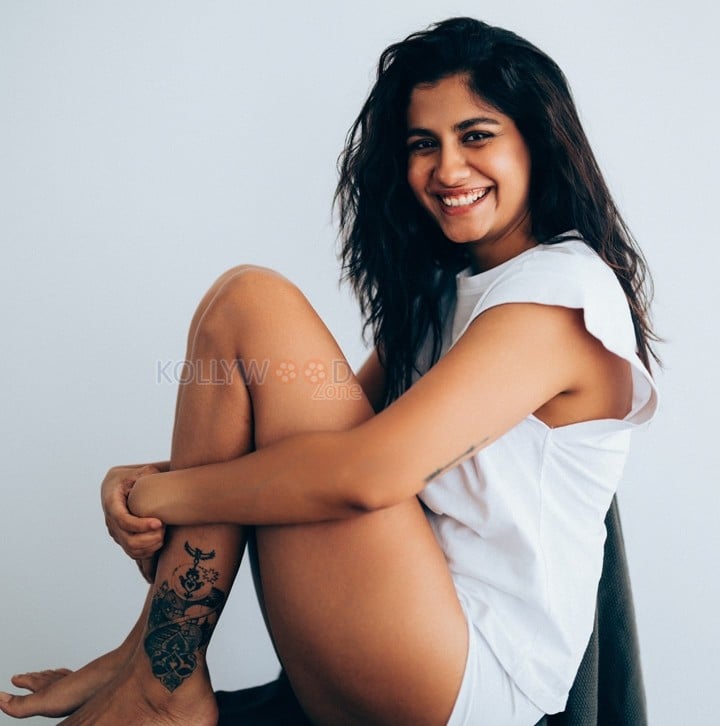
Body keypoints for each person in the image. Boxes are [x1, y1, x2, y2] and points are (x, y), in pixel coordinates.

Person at [0, 16, 659, 726]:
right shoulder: (449, 294)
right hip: (411, 627)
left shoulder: (562, 295)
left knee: (251, 300)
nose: (447, 169)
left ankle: (161, 684)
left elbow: (364, 474)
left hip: (470, 677)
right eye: (423, 144)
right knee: (239, 308)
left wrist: (169, 495)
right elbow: (299, 448)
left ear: (537, 141)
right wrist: (146, 484)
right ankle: (156, 661)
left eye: (476, 135)